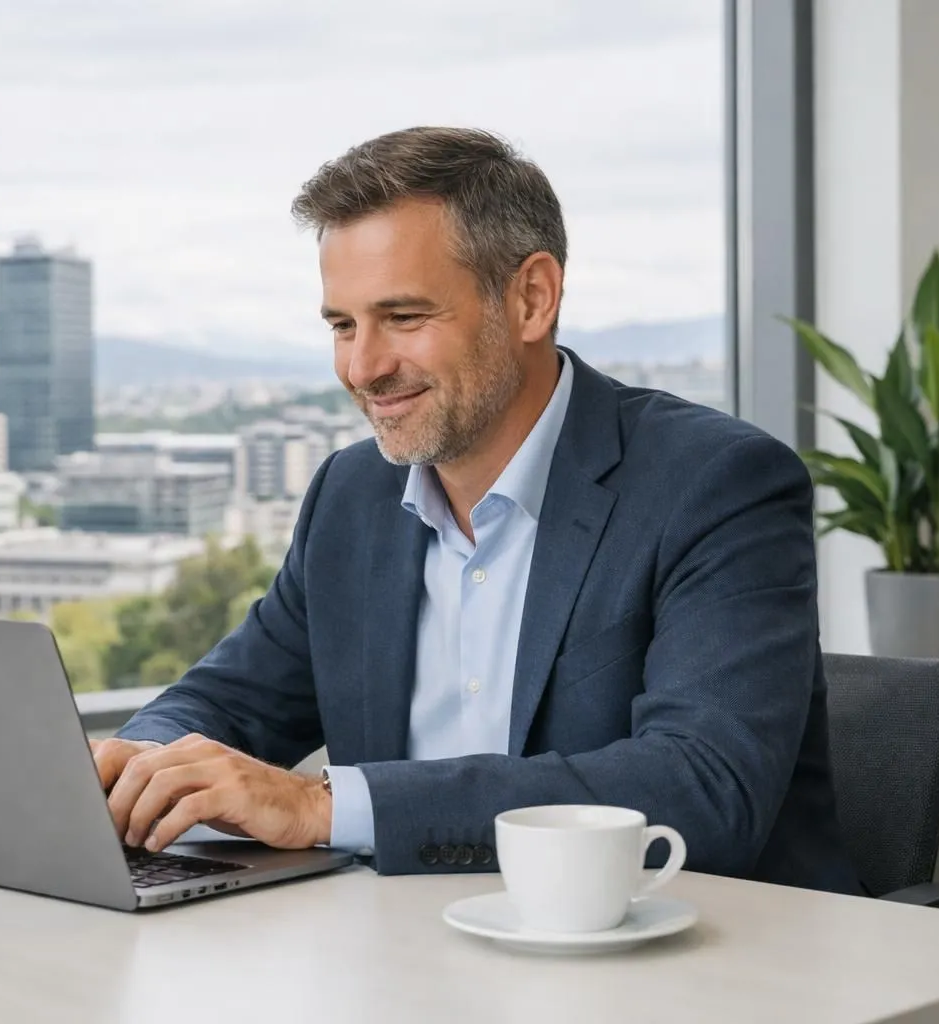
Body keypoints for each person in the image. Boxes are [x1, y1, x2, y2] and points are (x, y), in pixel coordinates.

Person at [92, 126, 860, 894]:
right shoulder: (352, 497)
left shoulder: (715, 482)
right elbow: (229, 700)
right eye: (342, 325)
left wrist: (325, 806)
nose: (364, 367)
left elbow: (702, 788)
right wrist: (140, 766)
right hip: (411, 954)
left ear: (531, 298)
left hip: (703, 961)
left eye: (404, 317)